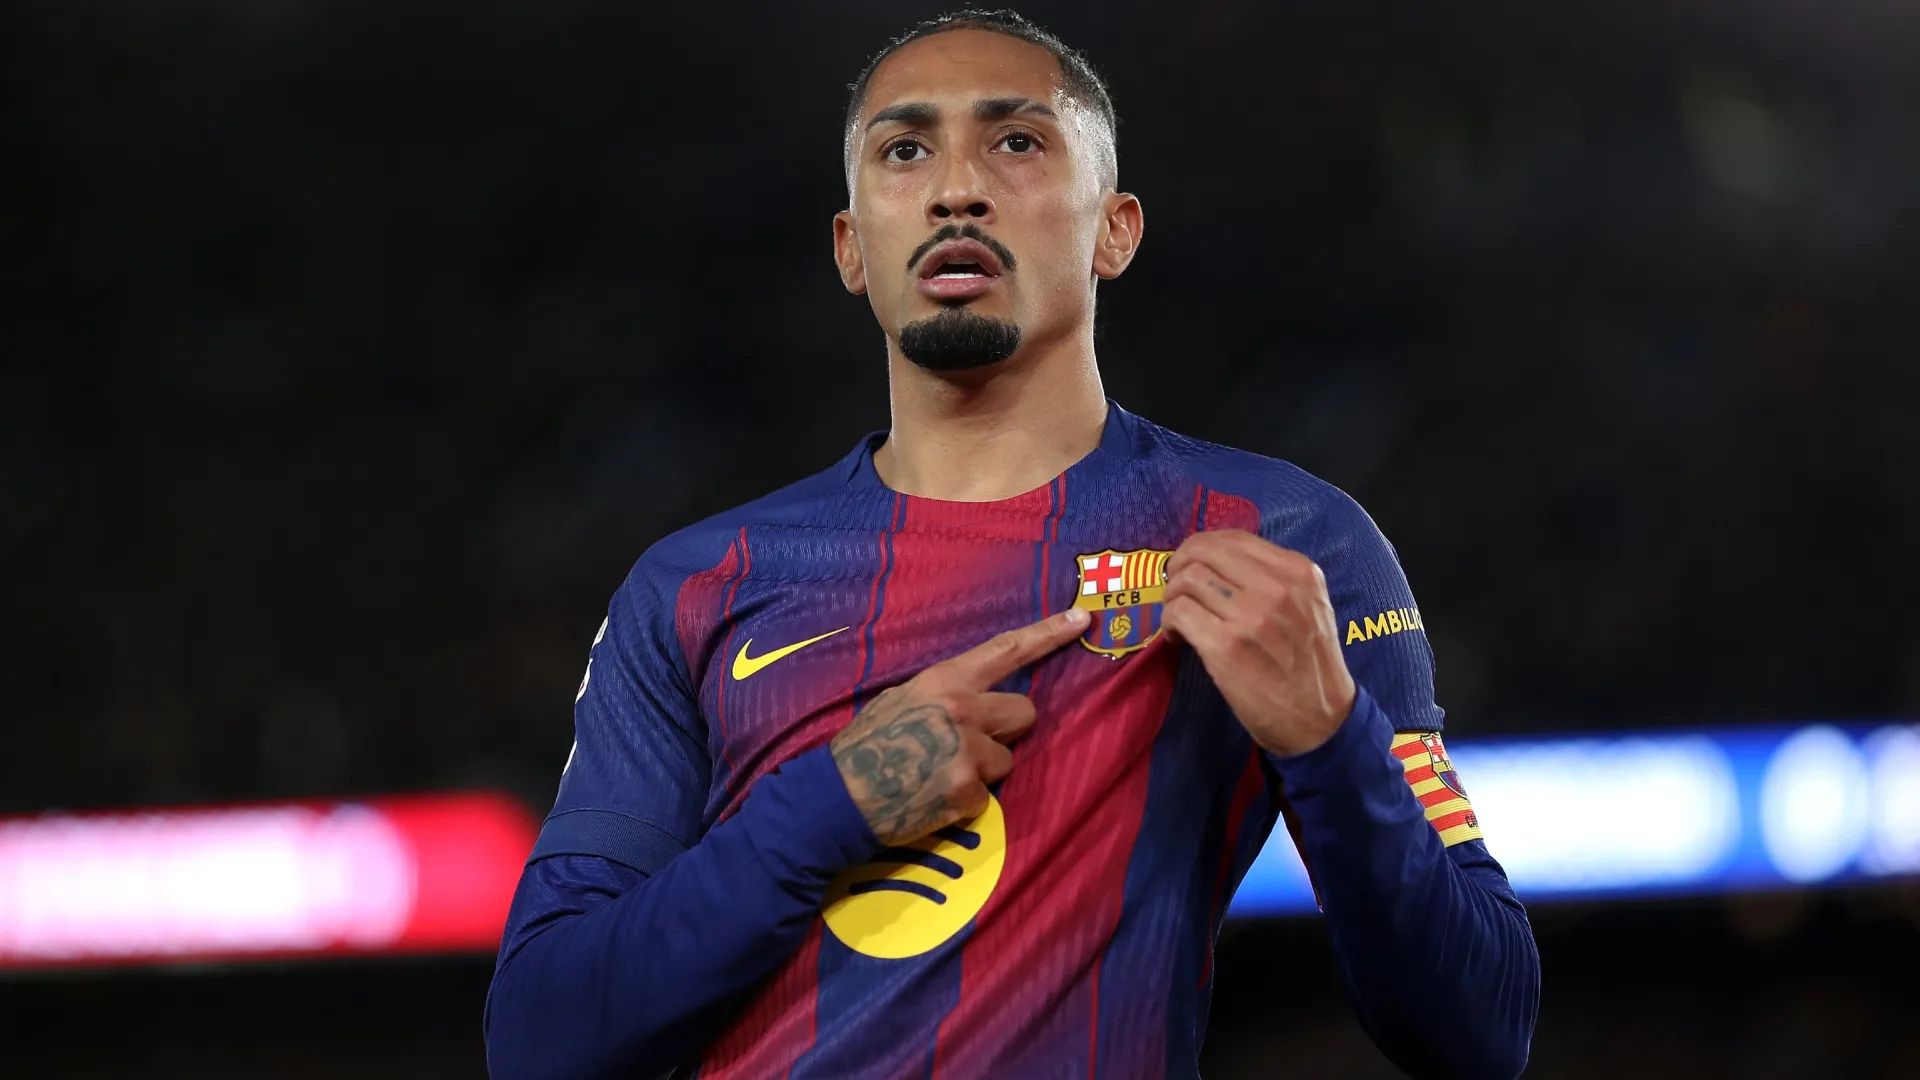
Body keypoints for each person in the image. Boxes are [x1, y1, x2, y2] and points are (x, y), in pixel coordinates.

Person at [483, 9, 1540, 1079]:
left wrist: (1330, 739)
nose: (956, 188)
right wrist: (829, 807)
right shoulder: (697, 587)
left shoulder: (1287, 542)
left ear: (1114, 230)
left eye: (1017, 142)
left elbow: (1481, 1028)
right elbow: (537, 1040)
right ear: (853, 249)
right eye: (904, 151)